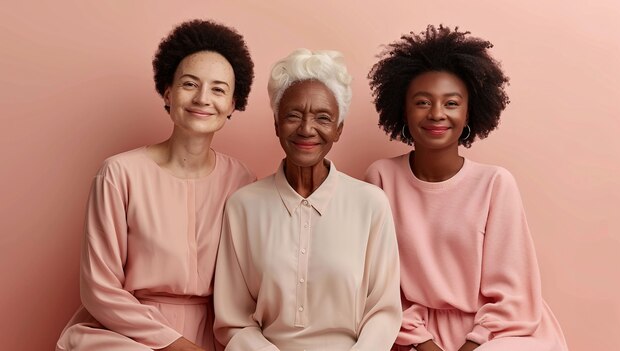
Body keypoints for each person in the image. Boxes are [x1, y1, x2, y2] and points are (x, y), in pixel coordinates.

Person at [364, 25, 569, 351]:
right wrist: (421, 342)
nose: (436, 114)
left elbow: (513, 293)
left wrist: (474, 343)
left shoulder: (495, 183)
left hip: (498, 331)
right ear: (403, 109)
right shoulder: (381, 178)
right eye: (422, 102)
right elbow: (378, 285)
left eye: (451, 103)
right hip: (411, 332)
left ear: (469, 112)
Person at [56, 19, 255, 351]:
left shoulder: (243, 180)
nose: (203, 98)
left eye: (218, 89)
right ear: (168, 91)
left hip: (217, 334)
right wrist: (175, 345)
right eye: (190, 84)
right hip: (126, 334)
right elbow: (99, 289)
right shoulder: (119, 174)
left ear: (233, 104)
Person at [213, 49, 402, 351]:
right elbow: (234, 320)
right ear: (276, 124)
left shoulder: (371, 204)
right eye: (293, 115)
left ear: (338, 129)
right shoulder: (242, 206)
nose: (306, 128)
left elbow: (383, 311)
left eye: (323, 118)